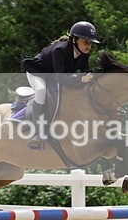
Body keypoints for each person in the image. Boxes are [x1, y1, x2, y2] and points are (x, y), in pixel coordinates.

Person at [21, 21, 100, 149]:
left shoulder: (84, 54)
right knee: (41, 91)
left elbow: (86, 73)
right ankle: (37, 133)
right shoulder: (60, 50)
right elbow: (61, 78)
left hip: (54, 75)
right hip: (38, 73)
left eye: (90, 43)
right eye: (85, 42)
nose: (88, 46)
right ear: (74, 40)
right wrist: (81, 80)